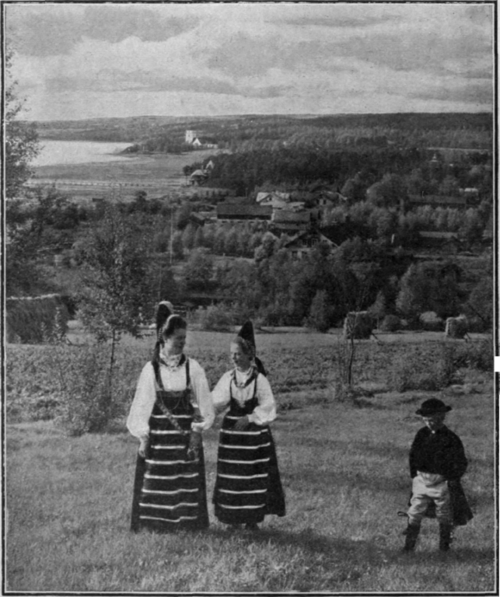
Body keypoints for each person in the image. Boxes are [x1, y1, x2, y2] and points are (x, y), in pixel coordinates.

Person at [127, 301, 214, 532]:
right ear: (164, 338)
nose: (182, 344)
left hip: (185, 437)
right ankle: (156, 524)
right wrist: (143, 436)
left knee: (183, 480)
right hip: (160, 437)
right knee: (158, 479)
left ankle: (184, 523)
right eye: (178, 339)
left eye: (184, 340)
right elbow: (141, 405)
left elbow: (205, 405)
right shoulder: (151, 369)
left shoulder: (193, 368)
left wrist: (198, 431)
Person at [212, 321, 285, 531]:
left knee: (252, 475)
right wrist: (200, 409)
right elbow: (217, 402)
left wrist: (251, 418)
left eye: (237, 353)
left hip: (254, 438)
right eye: (231, 354)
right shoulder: (228, 378)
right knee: (232, 475)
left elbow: (269, 406)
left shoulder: (259, 379)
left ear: (248, 354)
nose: (234, 358)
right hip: (232, 437)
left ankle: (251, 518)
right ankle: (232, 518)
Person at [403, 398, 472, 552]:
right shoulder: (421, 434)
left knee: (445, 514)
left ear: (442, 417)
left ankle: (444, 548)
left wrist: (450, 478)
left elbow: (461, 462)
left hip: (441, 482)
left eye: (432, 419)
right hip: (421, 480)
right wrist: (414, 475)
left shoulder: (451, 438)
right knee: (415, 511)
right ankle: (408, 547)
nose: (429, 422)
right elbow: (413, 455)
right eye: (426, 419)